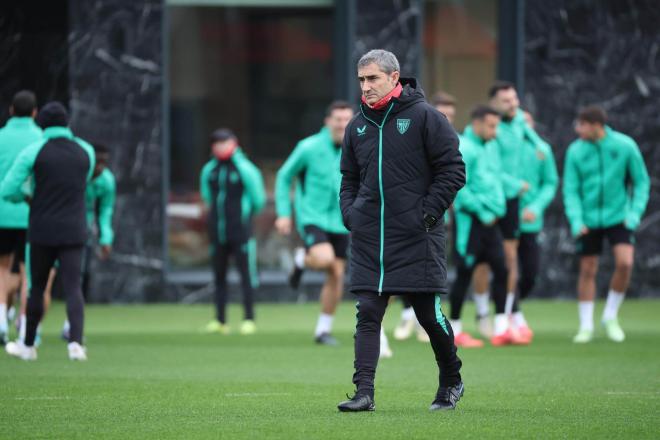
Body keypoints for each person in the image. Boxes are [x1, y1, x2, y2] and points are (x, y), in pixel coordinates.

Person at [337, 49, 465, 412]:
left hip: (416, 236)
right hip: (369, 237)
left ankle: (451, 381)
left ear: (394, 78)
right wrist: (352, 214)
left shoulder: (426, 117)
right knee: (368, 312)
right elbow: (348, 178)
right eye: (361, 80)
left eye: (373, 78)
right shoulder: (356, 124)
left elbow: (453, 171)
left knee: (428, 316)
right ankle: (364, 393)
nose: (366, 86)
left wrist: (424, 216)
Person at [2, 102, 95, 361]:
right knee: (73, 287)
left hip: (42, 229)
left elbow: (8, 188)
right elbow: (82, 183)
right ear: (67, 122)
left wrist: (28, 196)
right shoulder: (86, 150)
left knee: (37, 287)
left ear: (41, 123)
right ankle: (75, 344)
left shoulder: (34, 151)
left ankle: (28, 345)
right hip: (75, 228)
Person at [563, 106, 649, 343]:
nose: (578, 130)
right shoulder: (575, 151)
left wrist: (633, 216)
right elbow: (571, 188)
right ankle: (586, 325)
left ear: (595, 125)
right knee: (588, 268)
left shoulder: (625, 145)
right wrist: (576, 220)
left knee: (625, 263)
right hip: (588, 220)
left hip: (619, 217)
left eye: (582, 125)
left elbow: (641, 183)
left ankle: (610, 316)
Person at [274, 101, 353, 346]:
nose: (342, 124)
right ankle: (302, 259)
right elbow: (284, 176)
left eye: (346, 119)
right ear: (327, 121)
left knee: (337, 274)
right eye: (337, 119)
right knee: (324, 259)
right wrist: (284, 213)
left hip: (343, 220)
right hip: (313, 218)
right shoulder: (308, 147)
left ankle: (322, 330)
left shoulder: (357, 146)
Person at [448, 105, 521, 347]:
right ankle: (455, 330)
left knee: (501, 269)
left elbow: (496, 180)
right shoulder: (464, 148)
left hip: (491, 224)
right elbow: (457, 187)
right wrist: (482, 211)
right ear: (477, 123)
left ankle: (501, 328)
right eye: (491, 126)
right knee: (464, 274)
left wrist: (497, 209)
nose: (495, 131)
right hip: (470, 224)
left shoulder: (491, 147)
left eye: (497, 126)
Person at [393, 91, 457, 344]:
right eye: (443, 114)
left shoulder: (452, 140)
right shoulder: (418, 137)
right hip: (414, 218)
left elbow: (455, 176)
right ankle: (407, 314)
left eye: (450, 115)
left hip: (442, 219)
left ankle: (424, 320)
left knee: (432, 272)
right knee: (402, 270)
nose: (446, 118)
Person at [470, 81, 533, 338]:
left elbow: (539, 148)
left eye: (515, 99)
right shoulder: (480, 134)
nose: (513, 104)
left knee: (509, 257)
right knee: (482, 262)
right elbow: (488, 172)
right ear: (493, 104)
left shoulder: (520, 124)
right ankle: (483, 312)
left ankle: (508, 313)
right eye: (507, 101)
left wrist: (518, 185)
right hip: (486, 203)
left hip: (508, 200)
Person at [200, 129, 265, 335]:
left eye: (224, 142)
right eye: (216, 143)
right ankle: (220, 320)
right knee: (219, 276)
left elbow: (258, 199)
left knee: (246, 275)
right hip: (217, 232)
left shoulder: (245, 168)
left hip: (241, 231)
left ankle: (249, 319)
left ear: (233, 143)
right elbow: (207, 196)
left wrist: (243, 216)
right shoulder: (209, 169)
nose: (220, 146)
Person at [510, 111, 558, 341]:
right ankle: (511, 313)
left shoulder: (542, 150)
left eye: (527, 123)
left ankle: (511, 306)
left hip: (530, 221)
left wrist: (536, 207)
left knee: (530, 273)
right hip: (504, 217)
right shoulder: (503, 148)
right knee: (506, 269)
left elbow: (550, 183)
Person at [62, 142, 116, 340]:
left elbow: (105, 211)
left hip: (83, 231)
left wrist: (106, 237)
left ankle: (70, 326)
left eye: (104, 163)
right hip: (59, 226)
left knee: (79, 276)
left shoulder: (107, 181)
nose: (100, 167)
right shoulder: (75, 174)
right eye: (97, 162)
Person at [0, 90, 42, 344]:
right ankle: (27, 325)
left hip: (2, 213)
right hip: (31, 215)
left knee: (1, 267)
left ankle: (1, 319)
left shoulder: (1, 137)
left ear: (11, 110)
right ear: (35, 112)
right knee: (29, 271)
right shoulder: (40, 138)